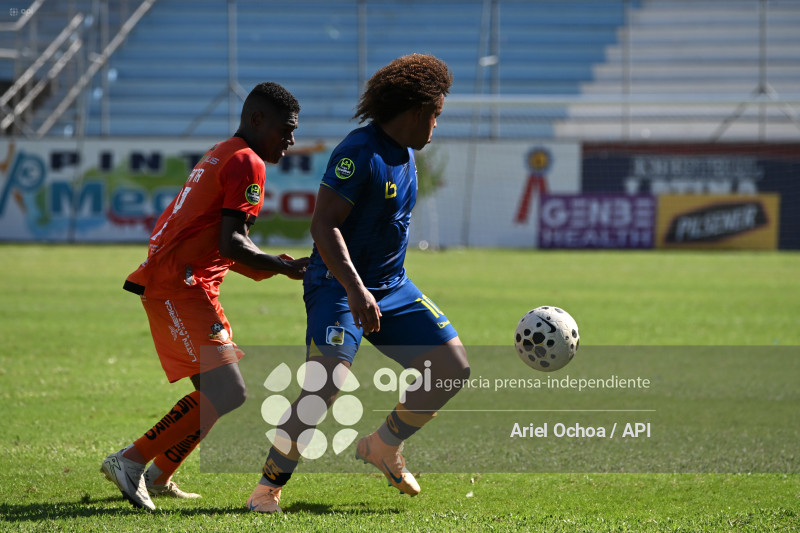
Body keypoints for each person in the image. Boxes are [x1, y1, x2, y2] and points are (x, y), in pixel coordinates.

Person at [247, 54, 470, 514]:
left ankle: (383, 446)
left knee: (451, 367)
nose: (436, 125)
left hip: (391, 286)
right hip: (337, 284)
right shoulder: (358, 153)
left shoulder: (406, 153)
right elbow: (323, 226)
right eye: (436, 115)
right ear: (416, 110)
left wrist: (375, 289)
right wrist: (355, 290)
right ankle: (267, 489)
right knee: (326, 380)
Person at [100, 82, 309, 510]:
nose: (291, 141)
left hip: (184, 282)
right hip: (180, 285)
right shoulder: (247, 161)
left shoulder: (226, 150)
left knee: (214, 397)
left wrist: (276, 268)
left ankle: (158, 475)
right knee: (228, 391)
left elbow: (219, 242)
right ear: (257, 120)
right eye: (286, 130)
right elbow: (232, 242)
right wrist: (283, 265)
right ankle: (131, 460)